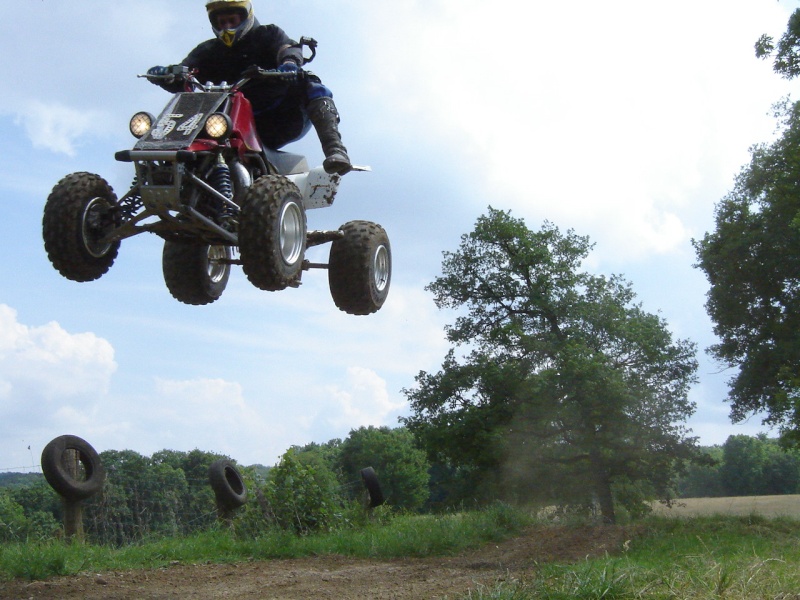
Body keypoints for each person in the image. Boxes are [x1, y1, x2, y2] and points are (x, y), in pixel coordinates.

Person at [146, 0, 351, 175]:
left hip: (279, 117)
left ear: (245, 17)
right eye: (222, 22)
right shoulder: (208, 51)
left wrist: (289, 64)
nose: (227, 27)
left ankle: (335, 150)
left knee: (310, 82)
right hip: (227, 122)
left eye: (232, 20)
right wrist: (167, 75)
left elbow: (288, 49)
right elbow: (186, 74)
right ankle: (166, 168)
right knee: (191, 102)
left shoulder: (268, 35)